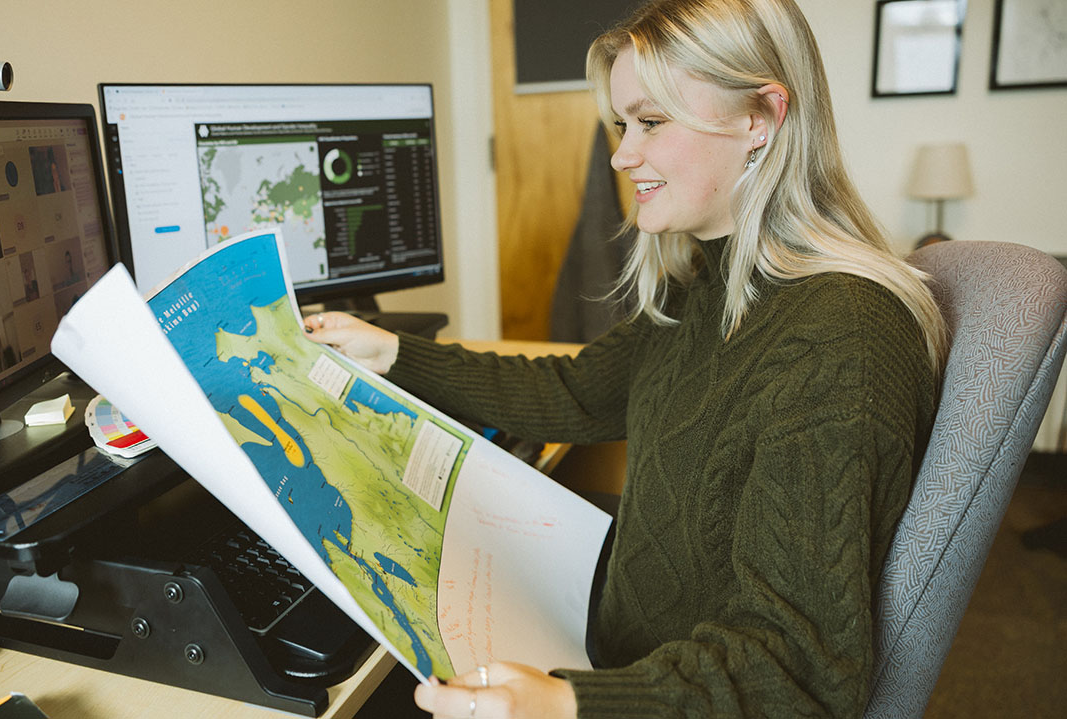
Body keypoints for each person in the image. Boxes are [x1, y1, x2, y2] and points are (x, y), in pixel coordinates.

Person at [303, 1, 947, 716]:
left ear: (760, 118)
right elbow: (576, 391)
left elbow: (795, 665)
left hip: (646, 684)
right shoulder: (714, 286)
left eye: (652, 121)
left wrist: (565, 703)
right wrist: (396, 353)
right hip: (617, 642)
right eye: (622, 124)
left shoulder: (839, 338)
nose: (621, 154)